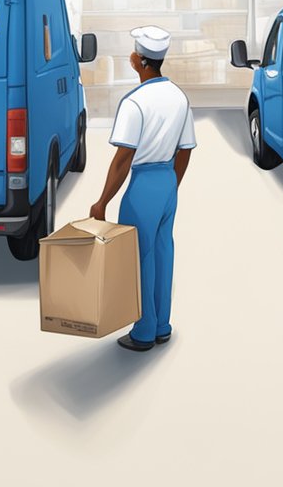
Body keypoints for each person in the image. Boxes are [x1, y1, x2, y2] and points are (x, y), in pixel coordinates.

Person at [90, 26, 196, 352]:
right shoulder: (179, 97)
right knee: (164, 251)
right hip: (167, 181)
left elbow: (123, 159)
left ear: (137, 61)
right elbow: (186, 149)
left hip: (143, 184)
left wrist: (102, 201)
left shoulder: (135, 102)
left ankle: (144, 332)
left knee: (141, 256)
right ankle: (162, 324)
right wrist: (172, 186)